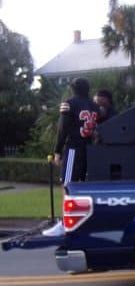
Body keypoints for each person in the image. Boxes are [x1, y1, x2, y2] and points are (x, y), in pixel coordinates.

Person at [42, 77, 100, 237]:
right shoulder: (95, 106)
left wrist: (57, 150)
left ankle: (65, 222)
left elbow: (63, 129)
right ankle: (82, 220)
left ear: (73, 89)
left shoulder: (70, 103)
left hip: (74, 148)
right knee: (82, 185)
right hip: (89, 149)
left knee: (68, 184)